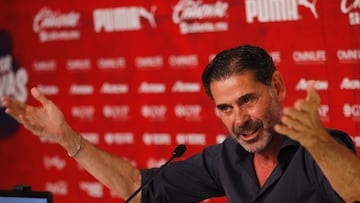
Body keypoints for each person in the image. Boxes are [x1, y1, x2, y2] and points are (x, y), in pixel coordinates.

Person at [1, 45, 360, 203]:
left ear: (277, 86)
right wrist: (67, 139)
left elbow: (355, 189)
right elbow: (139, 187)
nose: (239, 121)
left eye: (247, 100)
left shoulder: (321, 148)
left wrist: (316, 140)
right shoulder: (227, 159)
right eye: (225, 108)